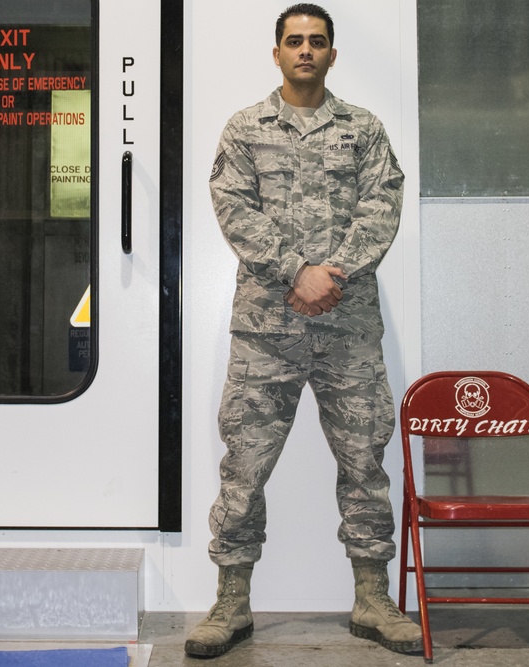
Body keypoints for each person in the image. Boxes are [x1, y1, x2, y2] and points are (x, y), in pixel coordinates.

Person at [184, 3, 421, 658]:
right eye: (295, 41)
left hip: (347, 325)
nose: (306, 50)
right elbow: (233, 206)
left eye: (317, 41)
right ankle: (231, 599)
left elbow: (383, 205)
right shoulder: (244, 129)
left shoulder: (366, 130)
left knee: (365, 460)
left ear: (332, 54)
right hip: (267, 330)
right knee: (245, 466)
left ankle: (372, 595)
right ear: (278, 52)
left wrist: (332, 274)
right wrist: (295, 271)